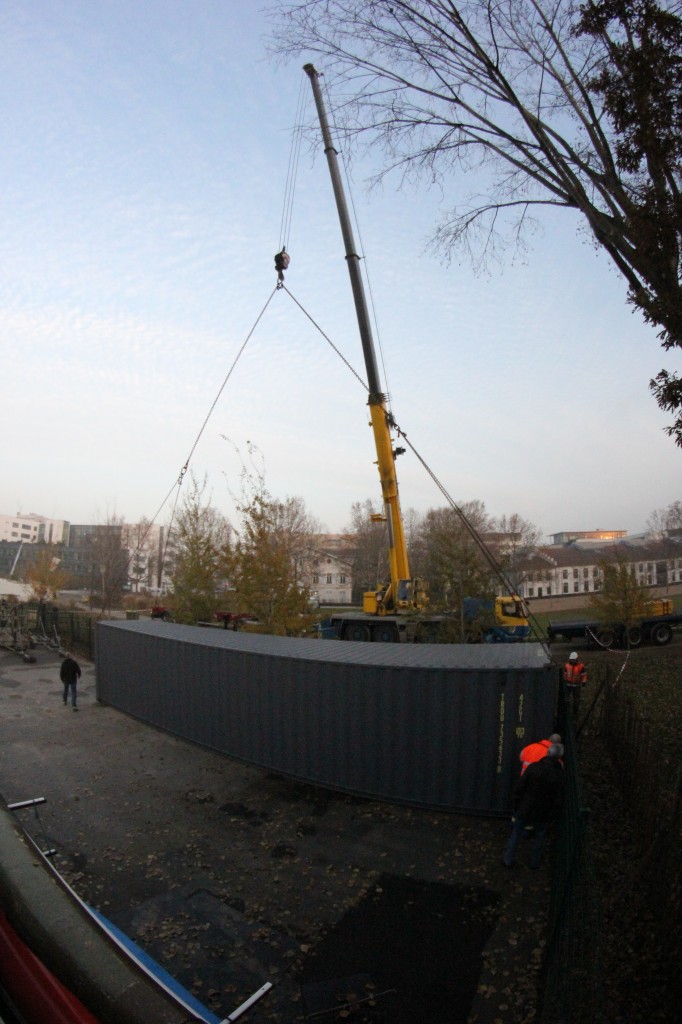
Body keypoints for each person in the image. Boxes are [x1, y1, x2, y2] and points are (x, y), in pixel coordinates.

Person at [503, 743, 566, 869]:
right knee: (540, 837)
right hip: (543, 812)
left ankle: (508, 860)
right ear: (559, 757)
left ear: (548, 753)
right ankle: (534, 863)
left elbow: (520, 787)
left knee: (516, 833)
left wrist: (516, 804)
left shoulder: (534, 768)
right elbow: (558, 799)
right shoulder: (559, 776)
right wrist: (552, 815)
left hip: (525, 808)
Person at [562, 651, 588, 718]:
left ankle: (575, 714)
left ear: (577, 659)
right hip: (568, 685)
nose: (573, 661)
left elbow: (583, 675)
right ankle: (566, 713)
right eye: (572, 660)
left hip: (576, 686)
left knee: (576, 700)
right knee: (567, 699)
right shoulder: (567, 666)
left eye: (574, 660)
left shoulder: (581, 666)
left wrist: (584, 681)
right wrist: (564, 682)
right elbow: (565, 675)